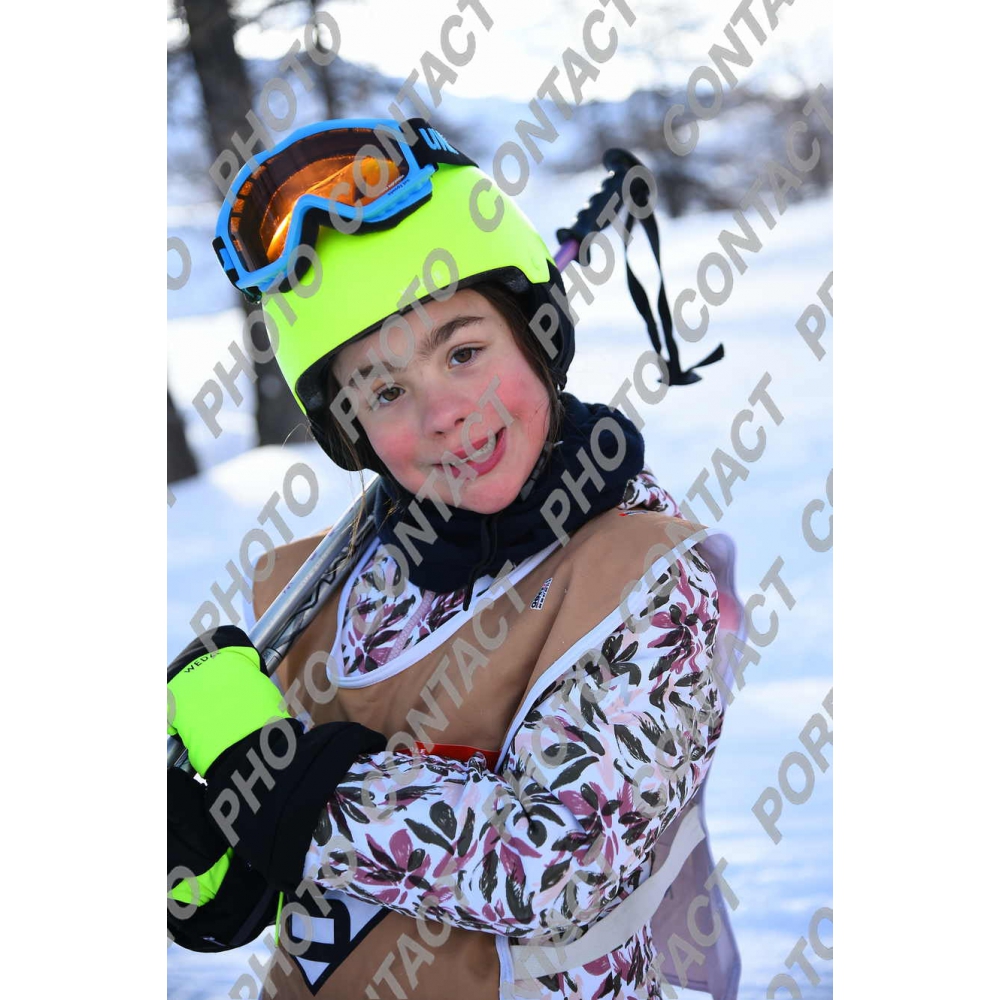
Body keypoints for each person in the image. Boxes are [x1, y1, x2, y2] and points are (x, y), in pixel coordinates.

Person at [167, 117, 745, 1000]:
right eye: (385, 391)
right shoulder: (325, 586)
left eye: (465, 352)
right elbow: (303, 882)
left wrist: (295, 794)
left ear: (537, 336)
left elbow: (556, 866)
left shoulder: (649, 581)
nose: (444, 415)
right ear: (351, 433)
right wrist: (219, 850)